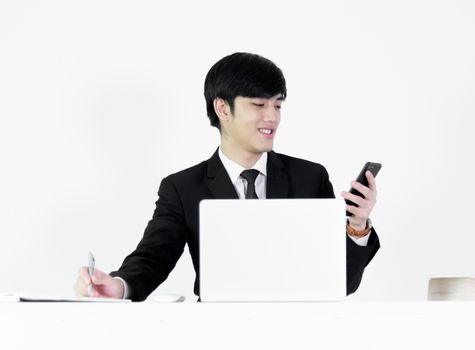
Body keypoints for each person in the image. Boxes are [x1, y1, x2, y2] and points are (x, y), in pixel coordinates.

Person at [74, 52, 380, 301]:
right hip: (217, 333)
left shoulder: (309, 177)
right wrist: (119, 286)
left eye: (277, 105)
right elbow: (153, 258)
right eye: (259, 104)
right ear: (222, 108)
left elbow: (341, 283)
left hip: (300, 330)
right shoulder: (182, 188)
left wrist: (356, 225)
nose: (272, 116)